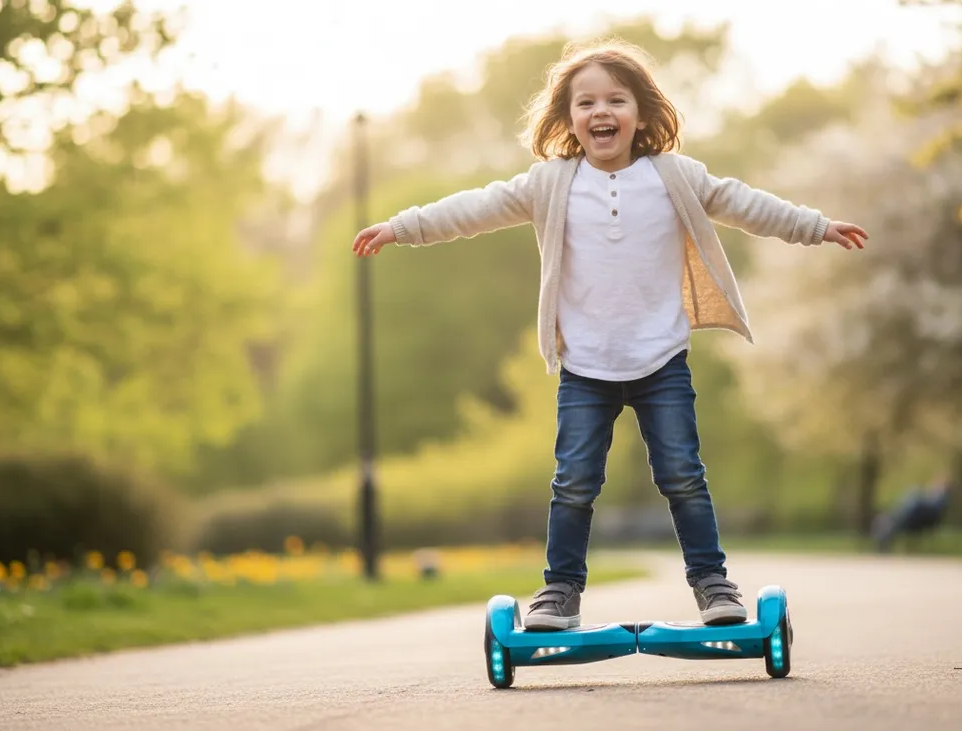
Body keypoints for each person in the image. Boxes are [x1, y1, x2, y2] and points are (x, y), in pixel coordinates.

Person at [352, 39, 868, 630]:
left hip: (661, 360)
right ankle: (560, 593)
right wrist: (402, 227)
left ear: (641, 114)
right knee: (573, 483)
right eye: (586, 102)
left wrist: (816, 227)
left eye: (616, 100)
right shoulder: (550, 184)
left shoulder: (675, 176)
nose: (601, 111)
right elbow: (474, 209)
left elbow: (745, 204)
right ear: (569, 120)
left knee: (682, 475)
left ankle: (712, 584)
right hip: (586, 367)